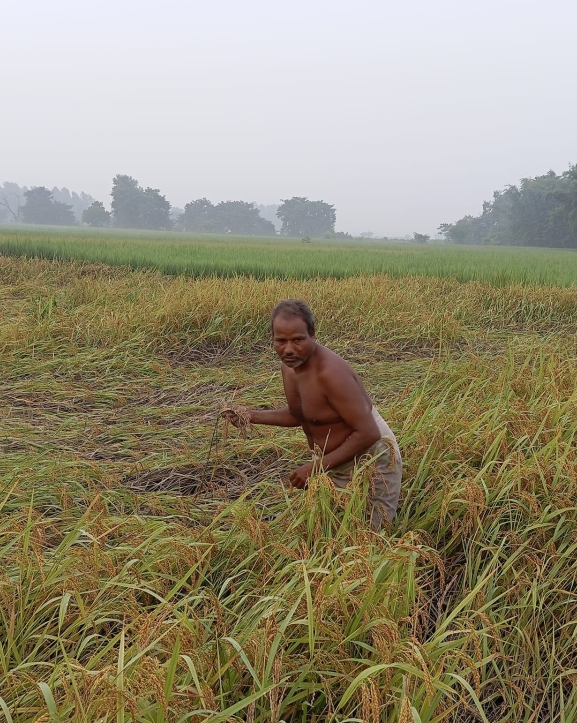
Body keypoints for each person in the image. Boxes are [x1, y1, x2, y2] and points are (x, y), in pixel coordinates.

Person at [223, 299, 402, 530]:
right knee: (329, 527)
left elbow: (368, 432)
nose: (288, 349)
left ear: (313, 336)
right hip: (333, 461)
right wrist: (251, 415)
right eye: (281, 341)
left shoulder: (330, 373)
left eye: (297, 340)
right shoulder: (290, 367)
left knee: (368, 534)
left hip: (370, 458)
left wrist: (314, 468)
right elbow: (302, 415)